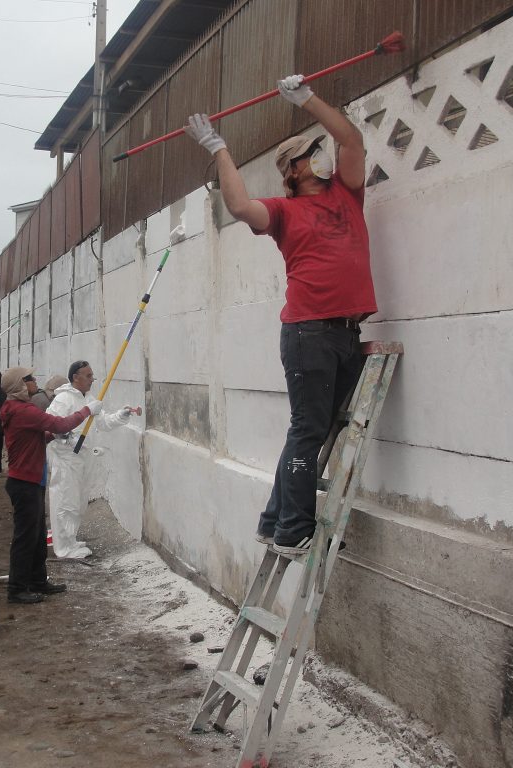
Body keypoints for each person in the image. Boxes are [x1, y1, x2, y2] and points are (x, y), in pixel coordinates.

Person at [185, 73, 377, 556]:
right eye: (312, 152)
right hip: (308, 332)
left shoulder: (346, 194)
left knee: (314, 428)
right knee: (309, 429)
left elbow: (351, 138)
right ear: (293, 169)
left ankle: (274, 520)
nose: (324, 156)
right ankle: (293, 531)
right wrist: (219, 149)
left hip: (346, 331)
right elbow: (239, 204)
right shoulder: (283, 212)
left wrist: (308, 99)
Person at [0, 366, 103, 604]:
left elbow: (36, 437)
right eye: (29, 379)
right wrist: (87, 410)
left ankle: (37, 581)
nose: (34, 381)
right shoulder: (24, 410)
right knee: (25, 538)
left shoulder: (15, 409)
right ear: (19, 386)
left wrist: (50, 437)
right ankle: (17, 589)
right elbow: (61, 423)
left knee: (36, 537)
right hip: (24, 482)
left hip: (31, 480)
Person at [46, 361, 141, 559]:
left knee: (79, 502)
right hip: (67, 460)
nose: (92, 380)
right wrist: (66, 439)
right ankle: (63, 547)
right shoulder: (63, 399)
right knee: (66, 501)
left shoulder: (88, 398)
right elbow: (51, 427)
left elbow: (103, 423)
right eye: (88, 376)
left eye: (92, 376)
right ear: (75, 377)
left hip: (82, 460)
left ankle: (70, 540)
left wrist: (121, 415)